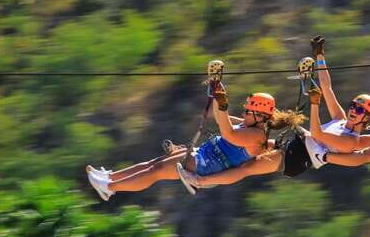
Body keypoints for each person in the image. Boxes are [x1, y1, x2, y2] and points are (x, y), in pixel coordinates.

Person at [176, 36, 370, 190]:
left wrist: (314, 104)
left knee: (246, 168)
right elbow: (327, 88)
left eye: (360, 110)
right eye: (354, 105)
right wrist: (320, 57)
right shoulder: (341, 119)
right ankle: (193, 146)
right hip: (293, 146)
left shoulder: (351, 142)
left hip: (295, 158)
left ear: (367, 118)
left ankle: (201, 181)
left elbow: (317, 134)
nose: (353, 110)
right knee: (249, 131)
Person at [85, 84, 302, 200]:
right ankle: (110, 177)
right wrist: (218, 93)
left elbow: (227, 133)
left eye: (248, 111)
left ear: (260, 116)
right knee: (153, 164)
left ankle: (110, 187)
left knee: (156, 171)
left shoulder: (257, 136)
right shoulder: (249, 125)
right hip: (204, 155)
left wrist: (222, 104)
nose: (244, 112)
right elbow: (221, 118)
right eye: (245, 110)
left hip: (207, 165)